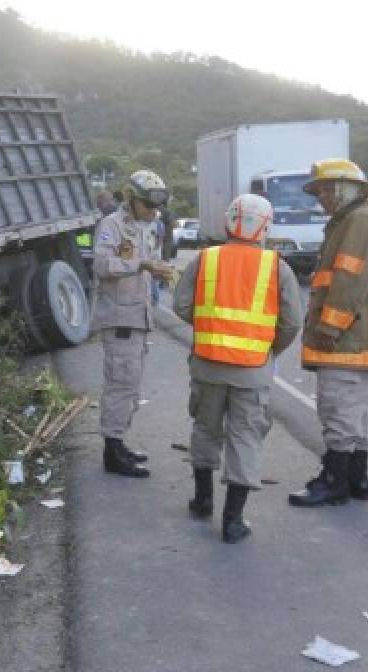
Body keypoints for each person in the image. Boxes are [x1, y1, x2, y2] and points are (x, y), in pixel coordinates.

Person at [173, 194, 302, 542]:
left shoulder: (205, 259)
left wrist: (210, 327)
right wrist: (266, 348)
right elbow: (291, 323)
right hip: (252, 370)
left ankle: (202, 502)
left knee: (205, 430)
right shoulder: (277, 266)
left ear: (229, 221)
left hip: (208, 366)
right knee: (245, 438)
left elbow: (181, 306)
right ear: (265, 226)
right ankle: (232, 521)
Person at [289, 159, 368, 507]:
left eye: (324, 189)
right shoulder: (352, 220)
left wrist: (329, 326)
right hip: (359, 336)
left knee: (337, 407)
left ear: (343, 188)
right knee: (356, 411)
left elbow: (350, 279)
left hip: (347, 338)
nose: (319, 197)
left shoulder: (358, 221)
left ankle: (335, 481)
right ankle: (356, 479)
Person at [93, 169, 174, 477]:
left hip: (139, 315)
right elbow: (101, 265)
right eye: (148, 205)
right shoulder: (111, 225)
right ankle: (112, 452)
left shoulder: (150, 226)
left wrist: (157, 270)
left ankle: (119, 442)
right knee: (120, 383)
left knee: (131, 384)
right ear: (131, 199)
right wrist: (139, 264)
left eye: (157, 207)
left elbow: (148, 260)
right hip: (119, 317)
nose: (154, 211)